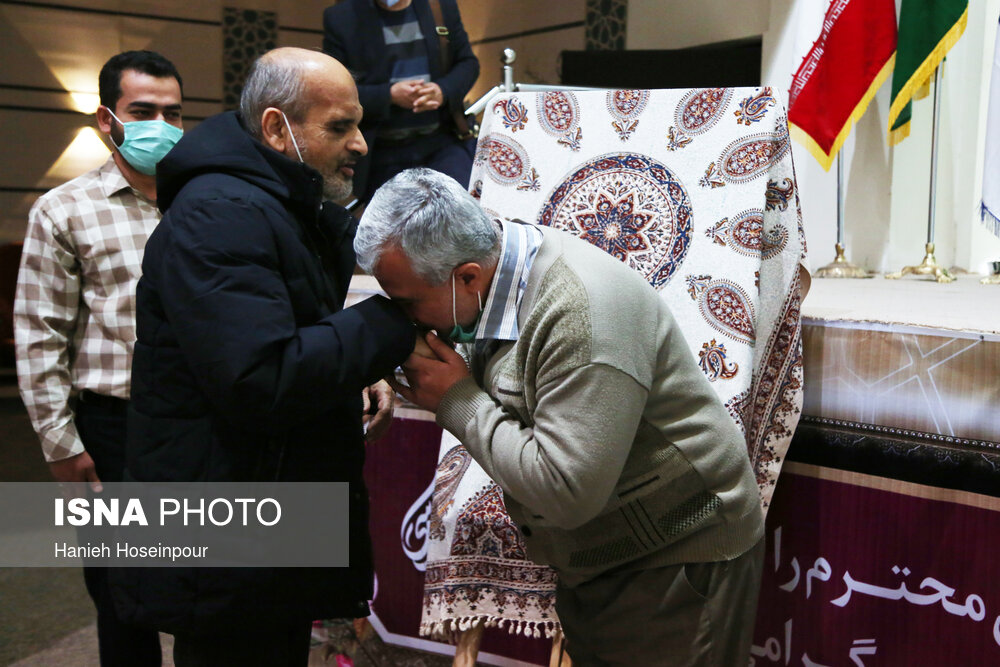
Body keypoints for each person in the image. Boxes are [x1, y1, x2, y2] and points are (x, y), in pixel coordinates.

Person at [354, 168, 767, 667]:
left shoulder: (581, 313)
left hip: (677, 551)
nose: (410, 321)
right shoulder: (493, 269)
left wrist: (456, 400)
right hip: (609, 550)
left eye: (408, 305)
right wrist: (384, 360)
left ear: (466, 275)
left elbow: (567, 492)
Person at [110, 48, 416, 665]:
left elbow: (288, 326)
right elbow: (261, 377)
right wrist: (393, 317)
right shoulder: (225, 212)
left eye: (359, 125)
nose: (360, 145)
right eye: (338, 128)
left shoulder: (271, 202)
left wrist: (357, 370)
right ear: (277, 128)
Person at [14, 49, 184, 667]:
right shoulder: (63, 210)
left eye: (172, 112)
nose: (160, 126)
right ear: (106, 120)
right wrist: (61, 445)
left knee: (212, 592)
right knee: (121, 600)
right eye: (143, 111)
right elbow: (40, 334)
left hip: (205, 424)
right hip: (118, 426)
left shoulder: (207, 199)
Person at [322, 0, 480, 202]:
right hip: (380, 152)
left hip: (440, 142)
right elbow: (335, 90)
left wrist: (443, 91)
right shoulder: (342, 18)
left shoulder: (440, 6)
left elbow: (468, 63)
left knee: (456, 214)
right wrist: (389, 95)